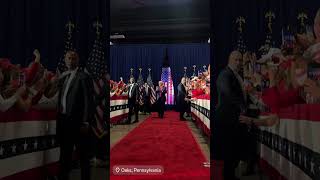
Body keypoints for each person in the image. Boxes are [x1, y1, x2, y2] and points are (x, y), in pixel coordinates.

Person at [56, 50, 94, 180]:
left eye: (73, 58)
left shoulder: (84, 76)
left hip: (79, 123)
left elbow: (88, 101)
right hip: (64, 121)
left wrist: (86, 122)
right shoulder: (63, 77)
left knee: (83, 156)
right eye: (68, 58)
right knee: (64, 155)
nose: (71, 60)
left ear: (77, 60)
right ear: (65, 60)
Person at [213, 50, 247, 180]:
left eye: (240, 60)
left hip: (234, 118)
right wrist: (242, 106)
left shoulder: (235, 75)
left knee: (234, 151)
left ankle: (230, 175)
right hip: (226, 119)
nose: (238, 63)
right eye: (236, 60)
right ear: (229, 60)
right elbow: (228, 93)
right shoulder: (224, 74)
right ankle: (228, 176)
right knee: (229, 152)